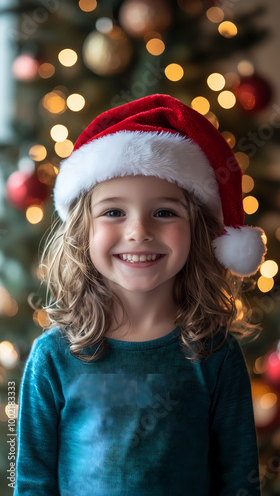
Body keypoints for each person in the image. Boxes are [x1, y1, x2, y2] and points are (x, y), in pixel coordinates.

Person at [14, 94, 266, 495]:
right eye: (114, 212)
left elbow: (239, 482)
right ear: (83, 232)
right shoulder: (53, 357)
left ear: (196, 230)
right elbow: (31, 481)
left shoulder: (216, 354)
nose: (138, 232)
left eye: (164, 212)